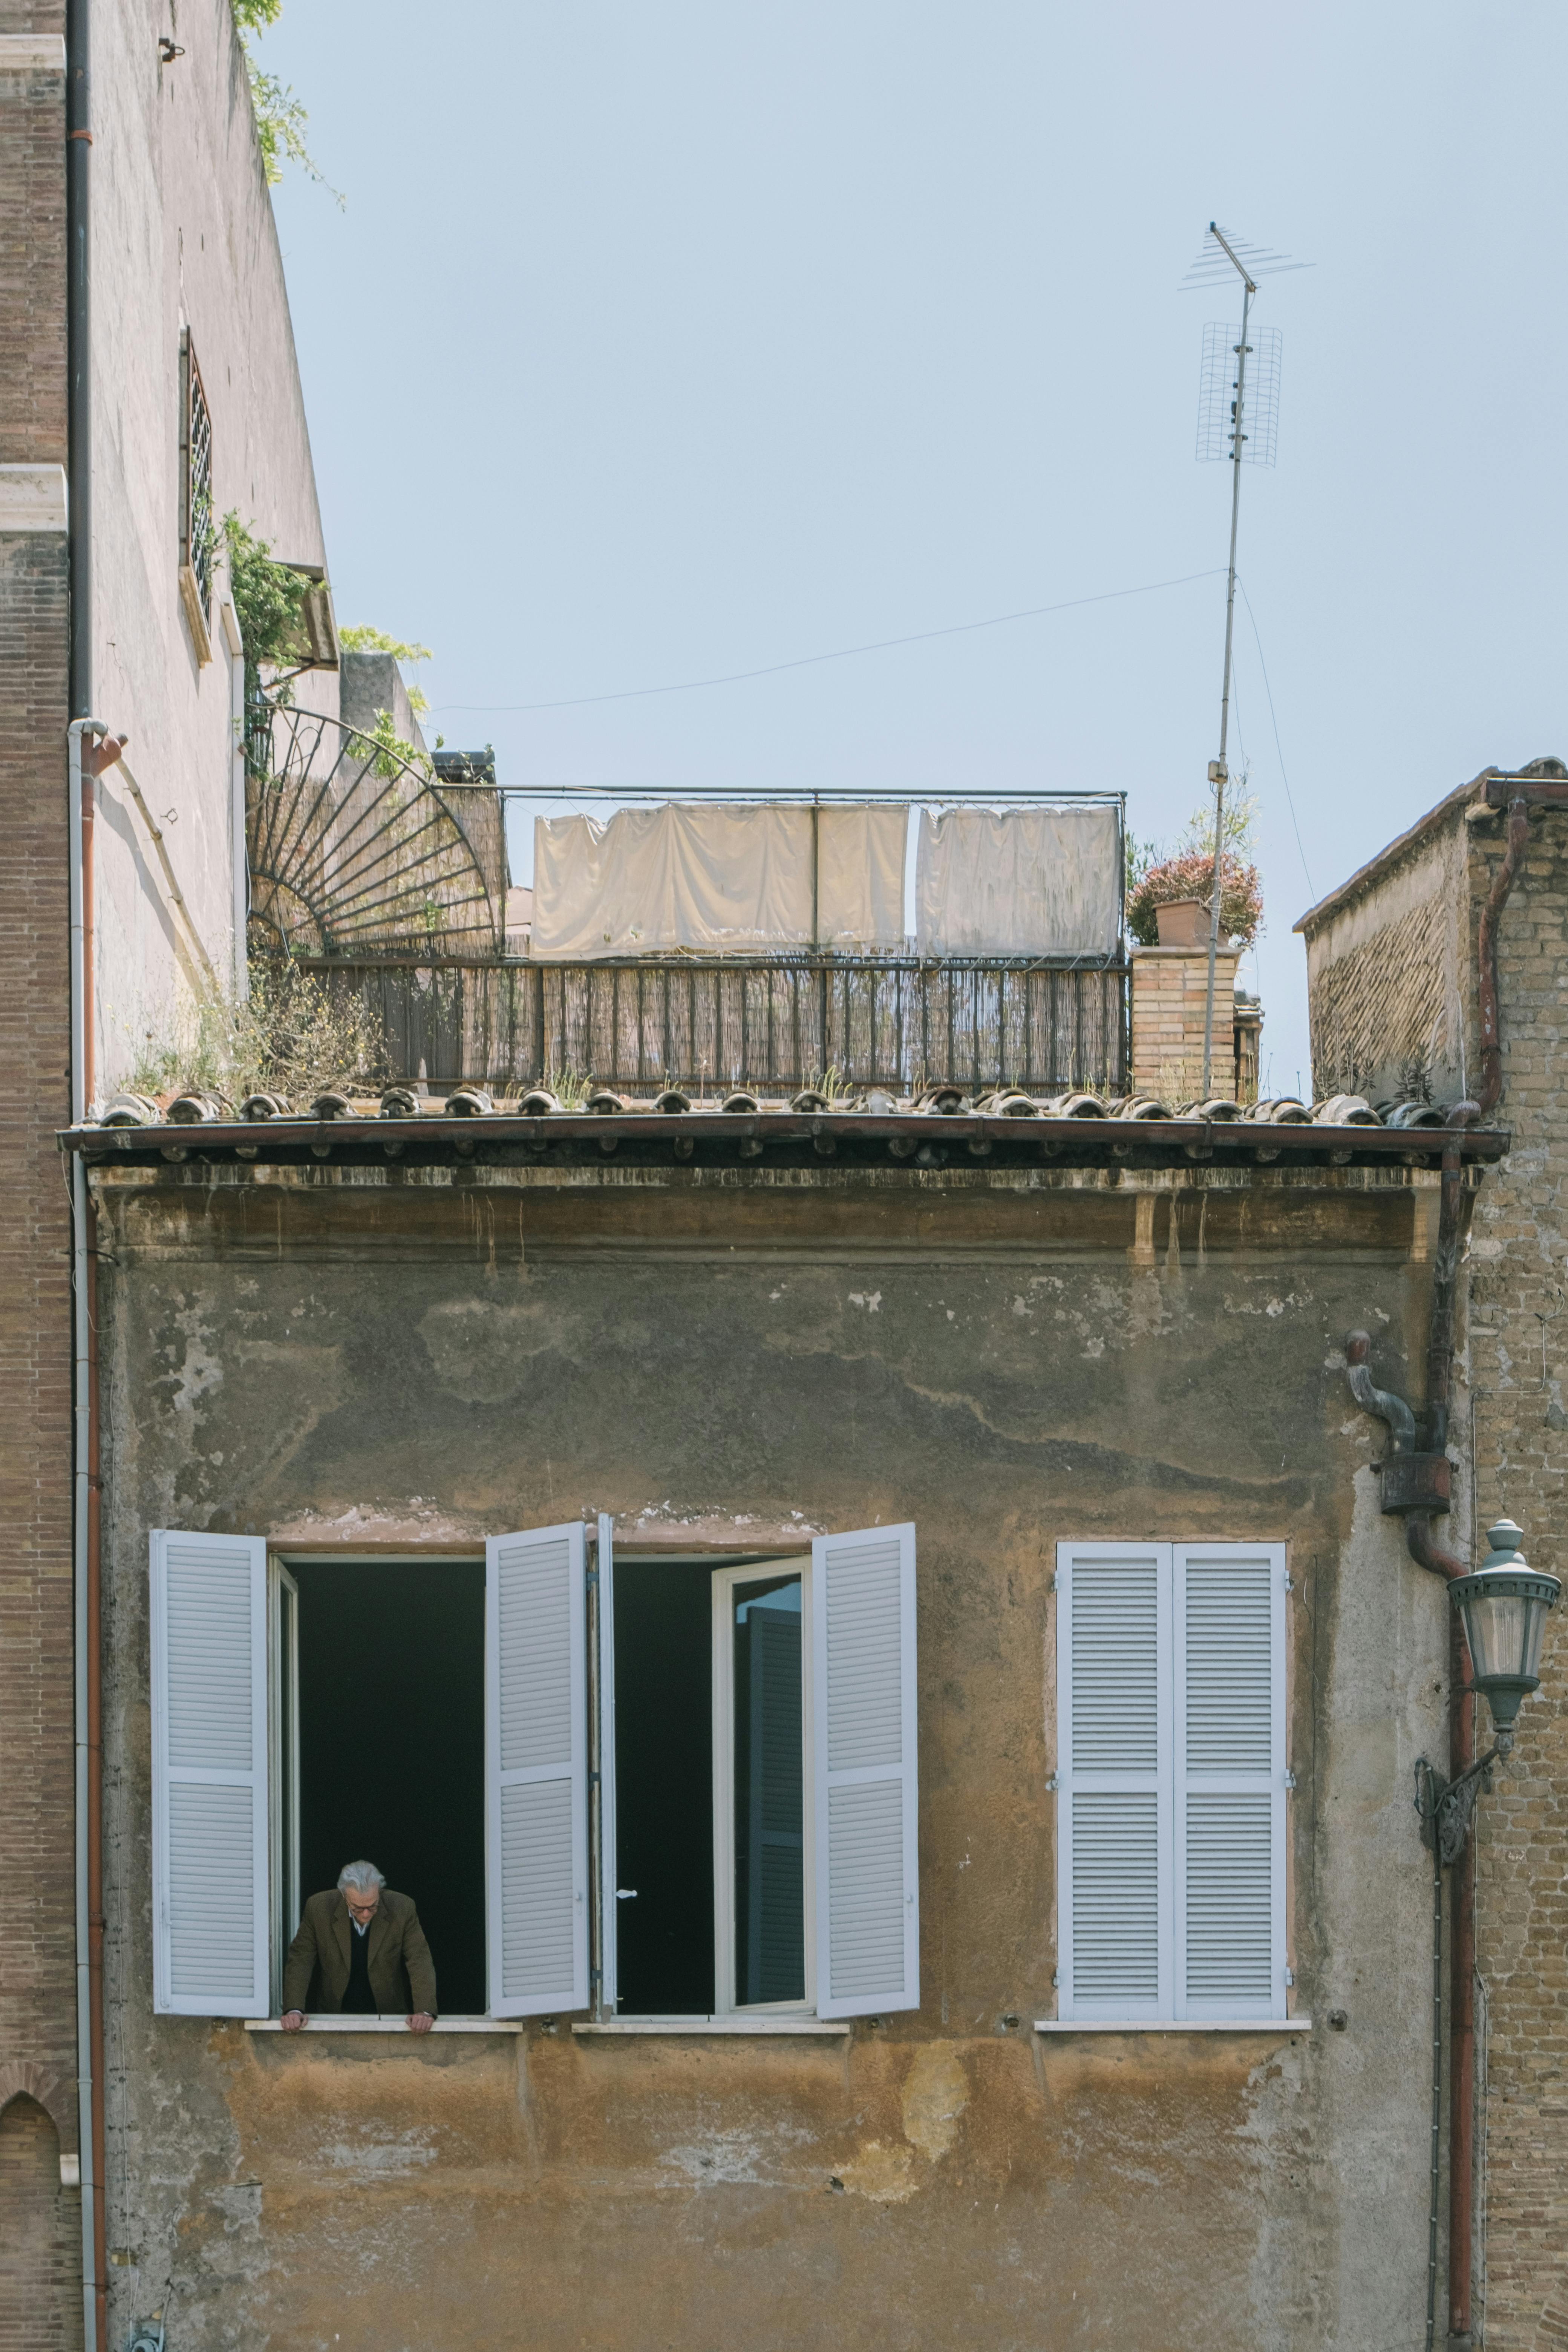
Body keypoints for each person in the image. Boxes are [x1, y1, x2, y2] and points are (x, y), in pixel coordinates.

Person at [279, 1860, 437, 2032]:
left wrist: (424, 2011)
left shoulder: (403, 1908)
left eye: (373, 1906)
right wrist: (294, 2010)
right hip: (334, 2012)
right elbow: (301, 1959)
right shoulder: (318, 1908)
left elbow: (419, 1960)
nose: (366, 1914)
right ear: (344, 1895)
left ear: (380, 1891)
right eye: (357, 1908)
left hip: (389, 2014)